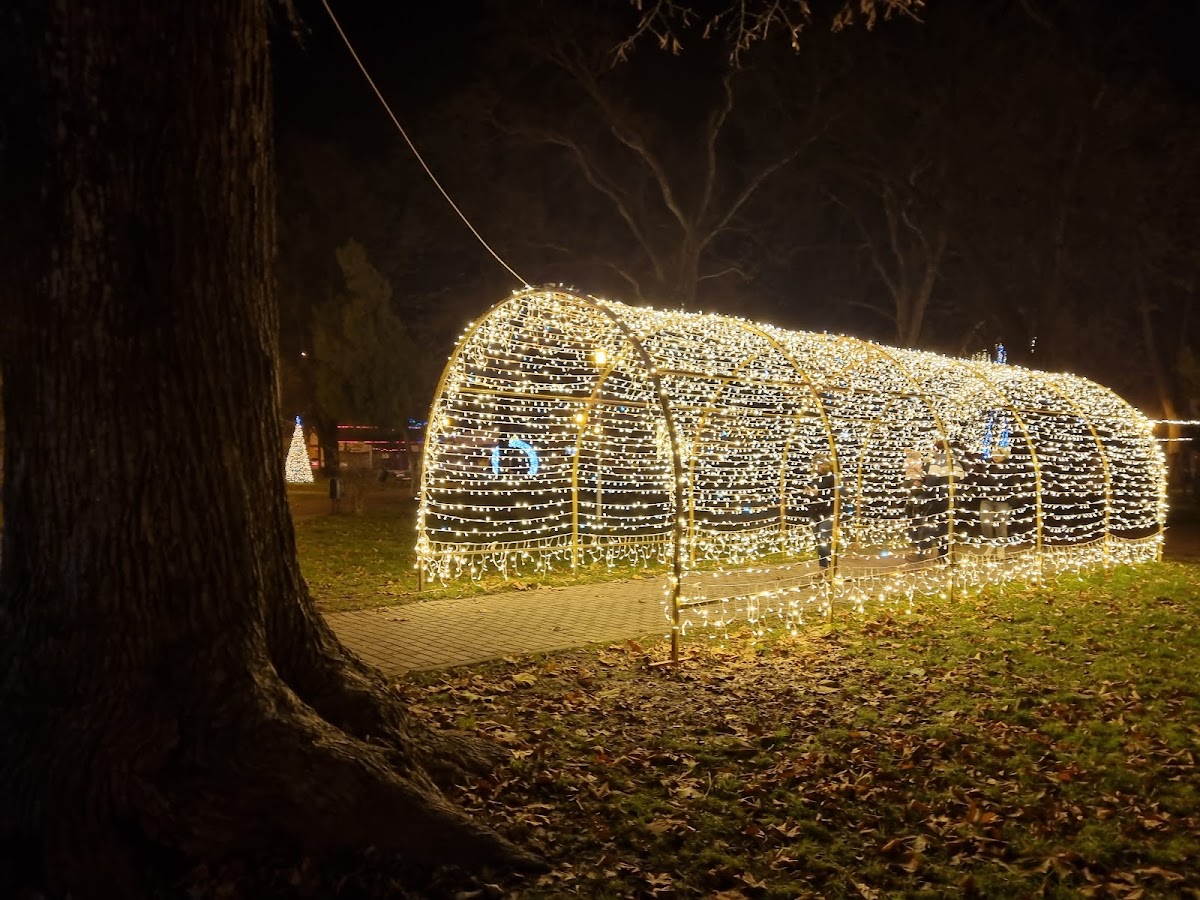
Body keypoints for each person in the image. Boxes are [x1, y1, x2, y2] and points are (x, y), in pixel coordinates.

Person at [978, 446, 1013, 558]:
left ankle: (1000, 548)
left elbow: (1014, 484)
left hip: (1003, 500)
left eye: (997, 454)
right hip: (987, 499)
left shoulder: (1010, 468)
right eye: (993, 454)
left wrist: (1011, 499)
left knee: (1001, 524)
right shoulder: (987, 466)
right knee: (985, 521)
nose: (995, 456)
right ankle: (991, 543)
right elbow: (981, 481)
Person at [805, 456, 837, 571]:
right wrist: (809, 492)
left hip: (828, 513)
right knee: (819, 542)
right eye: (817, 465)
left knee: (825, 540)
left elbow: (836, 496)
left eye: (821, 465)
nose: (818, 467)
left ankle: (832, 567)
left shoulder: (833, 478)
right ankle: (823, 569)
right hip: (815, 513)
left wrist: (820, 494)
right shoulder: (815, 478)